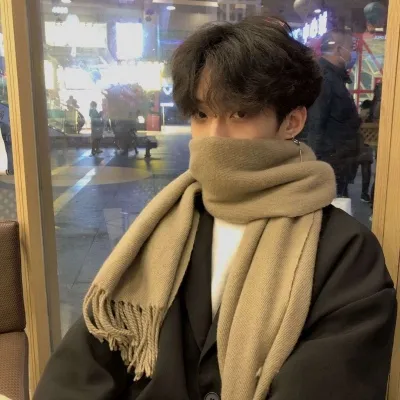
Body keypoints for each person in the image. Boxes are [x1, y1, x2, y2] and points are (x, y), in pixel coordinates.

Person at [34, 17, 396, 400]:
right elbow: (83, 365)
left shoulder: (346, 253)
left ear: (292, 121)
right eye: (202, 115)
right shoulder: (160, 228)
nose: (214, 136)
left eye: (239, 114)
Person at [300, 30, 361, 198]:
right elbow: (315, 123)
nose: (353, 53)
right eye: (351, 48)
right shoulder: (324, 78)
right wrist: (314, 167)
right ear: (339, 50)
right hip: (328, 164)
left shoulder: (335, 77)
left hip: (338, 162)